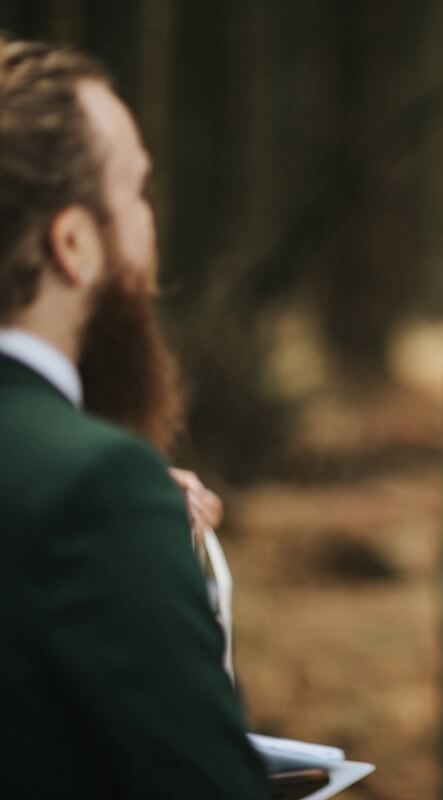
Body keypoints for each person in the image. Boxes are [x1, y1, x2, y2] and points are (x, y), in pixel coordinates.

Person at [0, 36, 268, 797]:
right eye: (137, 192)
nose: (151, 228)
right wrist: (131, 522)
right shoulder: (95, 489)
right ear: (74, 243)